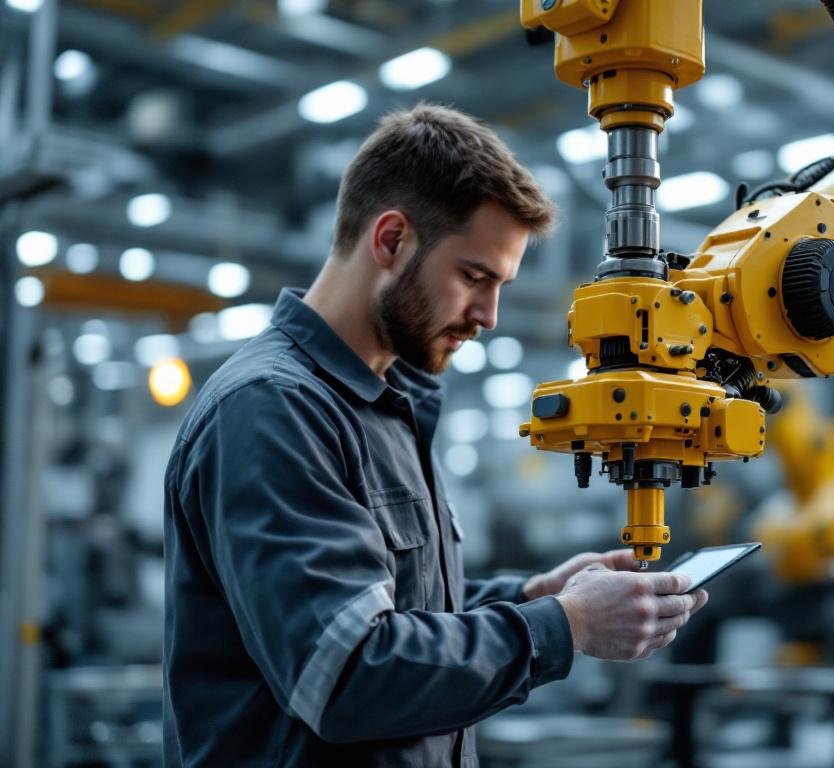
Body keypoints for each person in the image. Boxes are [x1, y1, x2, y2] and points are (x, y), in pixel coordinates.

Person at [162, 103, 708, 767]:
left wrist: (534, 597)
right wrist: (566, 625)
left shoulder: (384, 407)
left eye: (500, 285)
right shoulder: (273, 409)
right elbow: (346, 673)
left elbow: (396, 609)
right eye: (474, 277)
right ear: (391, 240)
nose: (489, 315)